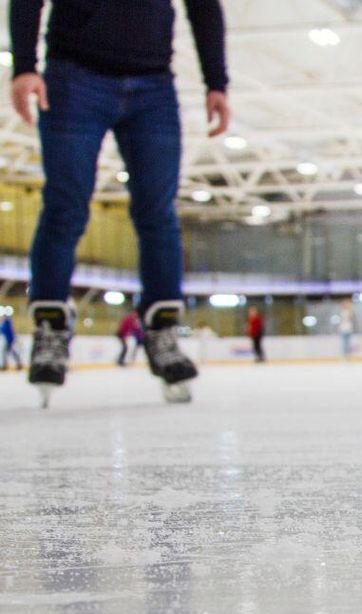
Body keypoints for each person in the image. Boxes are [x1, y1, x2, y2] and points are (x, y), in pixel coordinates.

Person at [11, 0, 231, 404]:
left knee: (158, 213)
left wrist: (216, 81)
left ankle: (162, 329)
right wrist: (24, 66)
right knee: (65, 207)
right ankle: (50, 330)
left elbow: (203, 6)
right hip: (73, 75)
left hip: (154, 84)